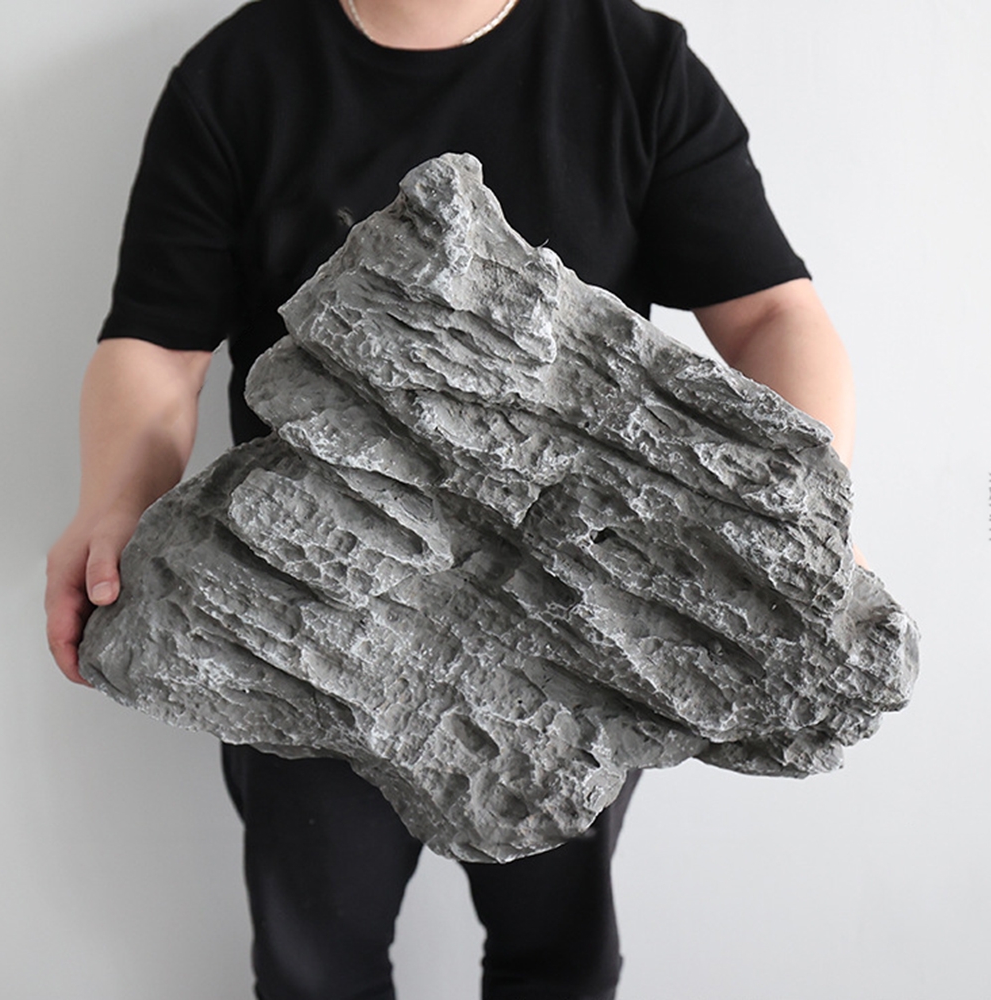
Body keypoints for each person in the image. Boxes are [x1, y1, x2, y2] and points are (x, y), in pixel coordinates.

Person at [45, 1, 858, 997]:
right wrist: (113, 499)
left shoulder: (632, 63)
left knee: (558, 955)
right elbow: (158, 344)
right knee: (315, 965)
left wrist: (804, 523)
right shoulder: (239, 75)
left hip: (572, 624)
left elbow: (770, 310)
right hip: (312, 608)